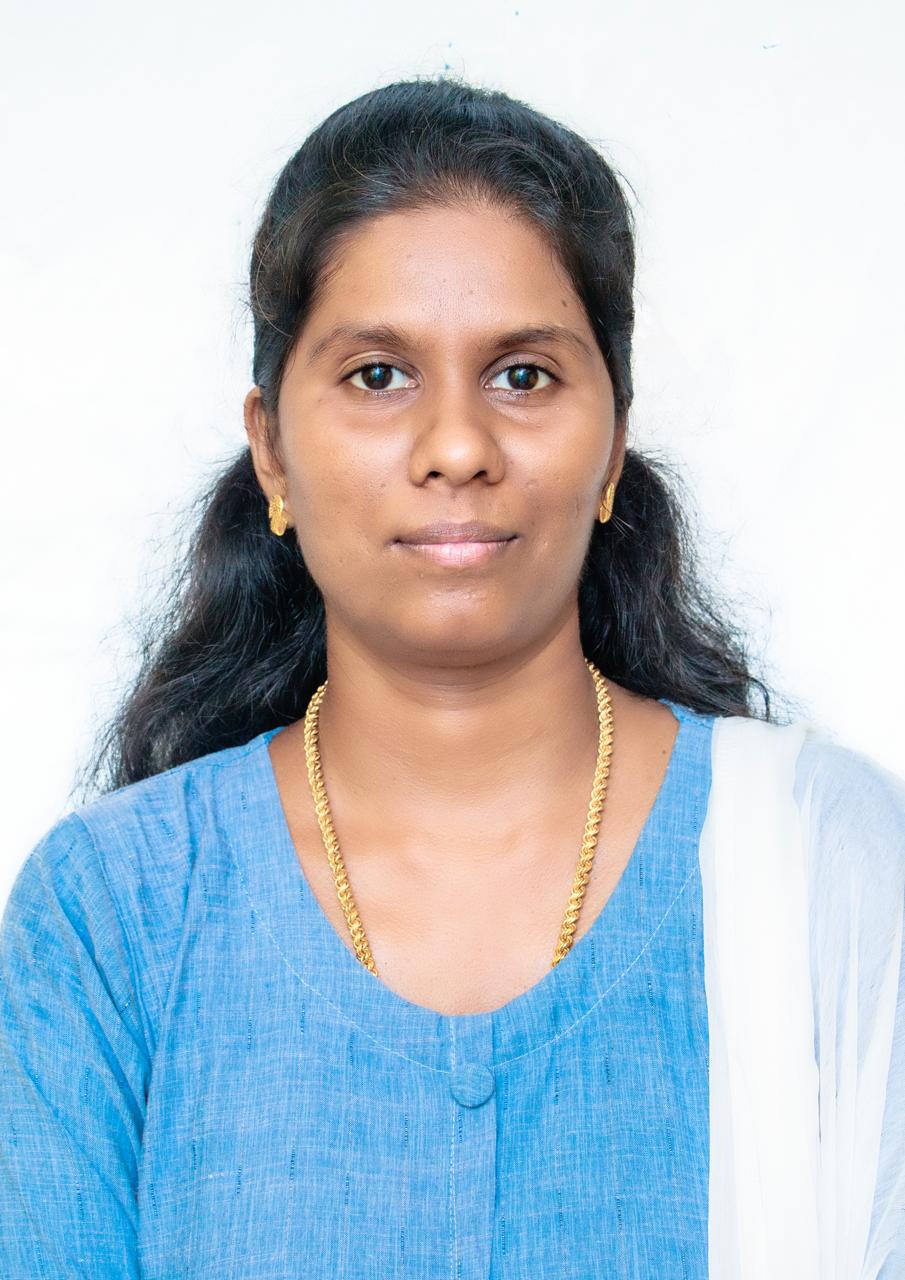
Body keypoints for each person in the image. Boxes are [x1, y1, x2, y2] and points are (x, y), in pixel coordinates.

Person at [0, 76, 902, 1279]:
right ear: (272, 448)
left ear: (612, 444)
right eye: (377, 375)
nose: (458, 447)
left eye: (522, 374)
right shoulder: (113, 911)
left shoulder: (820, 860)